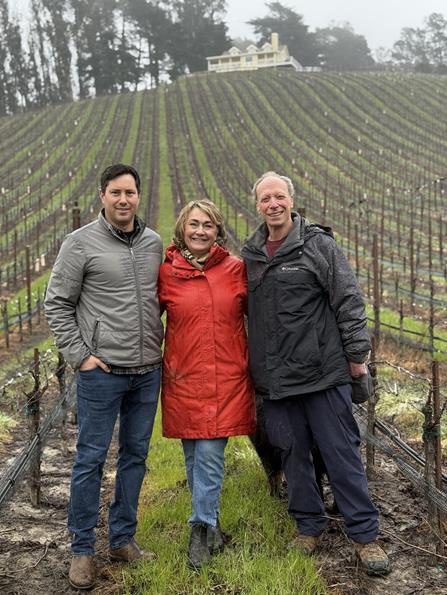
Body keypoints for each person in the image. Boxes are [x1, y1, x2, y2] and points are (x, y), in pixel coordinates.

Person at [241, 171, 390, 576]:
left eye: (279, 196)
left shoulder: (318, 245)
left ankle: (364, 535)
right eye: (265, 199)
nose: (273, 204)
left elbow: (348, 298)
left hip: (323, 374)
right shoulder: (251, 254)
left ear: (291, 200)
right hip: (276, 379)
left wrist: (357, 357)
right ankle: (309, 526)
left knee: (341, 453)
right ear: (257, 206)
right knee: (293, 455)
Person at [44, 163, 164, 590]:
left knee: (135, 458)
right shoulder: (79, 244)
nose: (124, 200)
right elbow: (56, 304)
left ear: (138, 196)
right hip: (102, 372)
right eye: (116, 192)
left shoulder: (153, 243)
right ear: (103, 196)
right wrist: (81, 356)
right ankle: (81, 550)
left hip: (148, 371)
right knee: (90, 460)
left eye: (130, 192)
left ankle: (122, 539)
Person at [158, 199, 256, 570]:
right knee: (193, 456)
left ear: (218, 231)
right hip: (183, 377)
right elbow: (146, 320)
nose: (200, 231)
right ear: (183, 228)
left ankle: (200, 527)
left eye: (208, 225)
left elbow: (263, 318)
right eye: (194, 224)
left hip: (227, 377)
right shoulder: (166, 272)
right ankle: (211, 525)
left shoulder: (236, 270)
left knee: (211, 456)